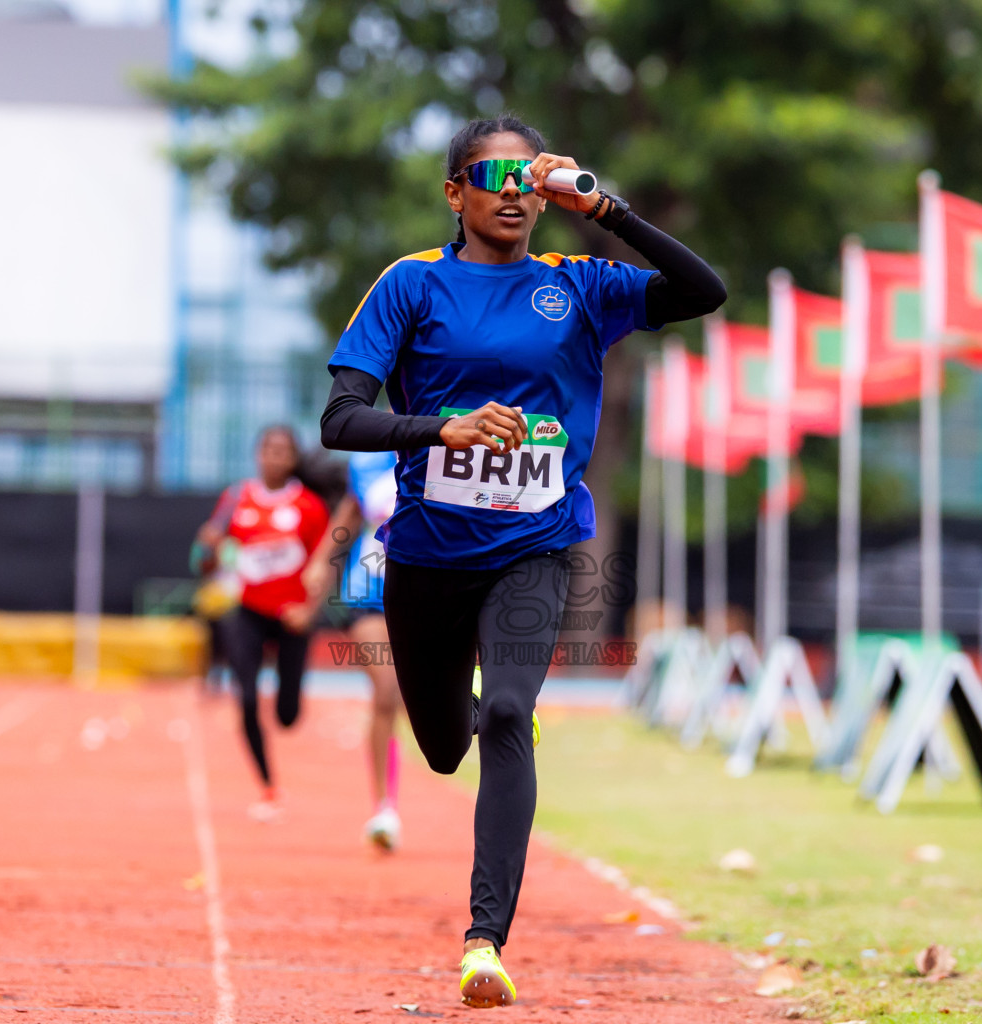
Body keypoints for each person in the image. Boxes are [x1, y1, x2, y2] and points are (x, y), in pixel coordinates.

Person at [319, 115, 725, 1007]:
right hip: (426, 553)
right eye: (489, 174)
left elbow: (703, 290)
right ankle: (482, 712)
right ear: (454, 191)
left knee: (507, 712)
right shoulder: (412, 285)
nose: (510, 190)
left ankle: (483, 942)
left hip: (536, 545)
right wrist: (443, 428)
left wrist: (604, 206)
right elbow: (341, 421)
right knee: (439, 744)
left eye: (526, 178)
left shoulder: (579, 287)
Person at [194, 425, 329, 821]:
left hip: (293, 618)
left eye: (282, 451)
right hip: (248, 611)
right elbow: (205, 561)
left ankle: (287, 710)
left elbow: (326, 564)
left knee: (287, 715)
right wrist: (208, 549)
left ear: (293, 459)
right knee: (247, 700)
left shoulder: (309, 506)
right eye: (267, 450)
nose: (274, 457)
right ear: (257, 454)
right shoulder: (235, 498)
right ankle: (268, 785)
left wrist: (310, 609)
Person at [302, 448, 405, 851]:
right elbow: (344, 521)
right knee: (385, 691)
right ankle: (384, 807)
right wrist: (318, 565)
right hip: (369, 593)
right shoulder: (368, 463)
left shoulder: (449, 450)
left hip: (427, 596)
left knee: (424, 699)